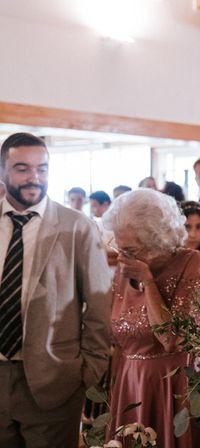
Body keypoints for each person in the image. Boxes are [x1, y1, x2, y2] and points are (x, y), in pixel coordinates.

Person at [0, 133, 112, 447]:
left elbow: (100, 305)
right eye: (22, 168)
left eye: (42, 168)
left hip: (54, 381)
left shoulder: (76, 226)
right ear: (3, 172)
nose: (34, 176)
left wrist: (87, 372)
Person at [103, 189, 200, 448]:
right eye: (119, 247)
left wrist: (148, 282)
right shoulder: (124, 267)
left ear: (158, 241)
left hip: (170, 387)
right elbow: (117, 338)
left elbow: (172, 339)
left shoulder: (194, 263)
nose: (122, 257)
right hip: (129, 385)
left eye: (130, 249)